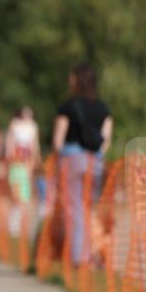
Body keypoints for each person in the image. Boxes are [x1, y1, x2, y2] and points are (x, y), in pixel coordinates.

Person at [52, 62, 112, 266]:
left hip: (72, 159)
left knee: (74, 209)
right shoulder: (103, 108)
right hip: (94, 161)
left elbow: (58, 141)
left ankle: (79, 257)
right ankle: (95, 250)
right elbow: (106, 140)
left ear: (76, 80)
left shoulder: (68, 107)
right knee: (89, 209)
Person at [5, 106, 41, 236]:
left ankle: (22, 224)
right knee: (16, 192)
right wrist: (9, 156)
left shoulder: (33, 126)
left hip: (27, 162)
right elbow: (10, 142)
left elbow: (35, 144)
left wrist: (36, 158)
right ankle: (14, 224)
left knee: (26, 194)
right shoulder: (15, 125)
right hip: (16, 161)